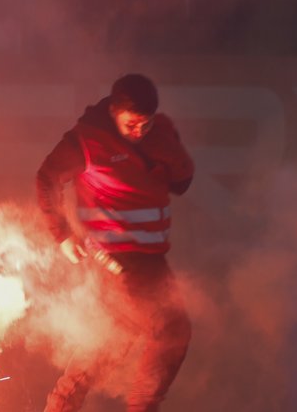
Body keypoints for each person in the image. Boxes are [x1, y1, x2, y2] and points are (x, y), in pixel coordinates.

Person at [36, 74, 194, 412]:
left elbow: (183, 182)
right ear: (113, 112)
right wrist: (62, 235)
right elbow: (47, 178)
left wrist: (169, 153)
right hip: (115, 259)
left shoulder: (162, 132)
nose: (139, 131)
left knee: (111, 341)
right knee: (172, 330)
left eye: (146, 124)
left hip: (152, 259)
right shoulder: (88, 141)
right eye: (131, 123)